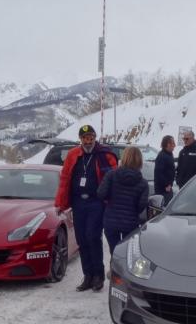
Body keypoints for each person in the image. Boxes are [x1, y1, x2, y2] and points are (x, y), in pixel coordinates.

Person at [55, 124, 118, 291]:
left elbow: (114, 179)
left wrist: (113, 202)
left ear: (94, 138)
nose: (88, 141)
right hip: (78, 203)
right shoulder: (73, 155)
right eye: (84, 138)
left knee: (92, 237)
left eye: (90, 137)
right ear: (80, 140)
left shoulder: (104, 154)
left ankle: (98, 275)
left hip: (96, 203)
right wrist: (60, 203)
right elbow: (65, 179)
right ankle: (88, 276)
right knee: (81, 240)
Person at [98, 146, 150, 257]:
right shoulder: (143, 183)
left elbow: (101, 194)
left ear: (124, 158)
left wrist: (110, 200)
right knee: (128, 255)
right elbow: (141, 205)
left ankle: (113, 271)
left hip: (111, 221)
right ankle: (124, 273)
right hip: (131, 223)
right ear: (139, 160)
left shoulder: (111, 175)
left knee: (114, 251)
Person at [154, 134, 176, 206]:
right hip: (163, 190)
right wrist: (166, 185)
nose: (175, 145)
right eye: (173, 143)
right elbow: (159, 173)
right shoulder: (162, 156)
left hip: (168, 188)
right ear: (168, 144)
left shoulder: (169, 154)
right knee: (164, 209)